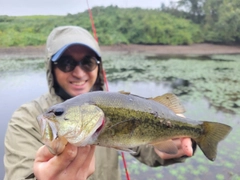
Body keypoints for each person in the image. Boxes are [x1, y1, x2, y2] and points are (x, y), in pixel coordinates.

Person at [4, 26, 196, 180]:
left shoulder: (111, 105)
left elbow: (142, 145)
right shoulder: (27, 118)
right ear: (51, 68)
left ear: (98, 66)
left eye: (88, 62)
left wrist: (180, 144)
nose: (78, 73)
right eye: (67, 63)